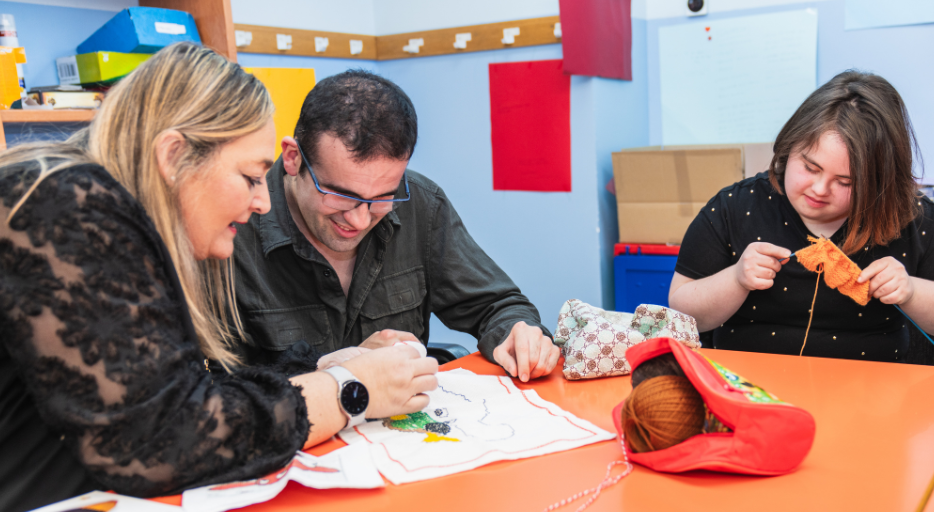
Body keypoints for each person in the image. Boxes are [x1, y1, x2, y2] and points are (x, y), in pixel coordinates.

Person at [0, 43, 436, 512]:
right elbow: (165, 440)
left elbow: (174, 392)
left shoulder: (94, 204)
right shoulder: (67, 210)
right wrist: (352, 390)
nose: (262, 202)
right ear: (174, 156)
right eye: (250, 177)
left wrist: (328, 369)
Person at [232, 70, 560, 382]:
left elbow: (496, 304)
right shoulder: (232, 229)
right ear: (293, 158)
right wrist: (336, 375)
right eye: (340, 196)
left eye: (382, 197)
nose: (360, 220)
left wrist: (519, 332)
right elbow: (215, 391)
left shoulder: (421, 202)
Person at [668, 70, 934, 361]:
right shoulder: (735, 207)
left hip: (873, 394)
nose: (819, 189)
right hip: (746, 386)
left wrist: (912, 290)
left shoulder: (912, 219)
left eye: (846, 182)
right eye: (809, 167)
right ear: (789, 148)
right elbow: (681, 311)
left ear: (880, 184)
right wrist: (736, 280)